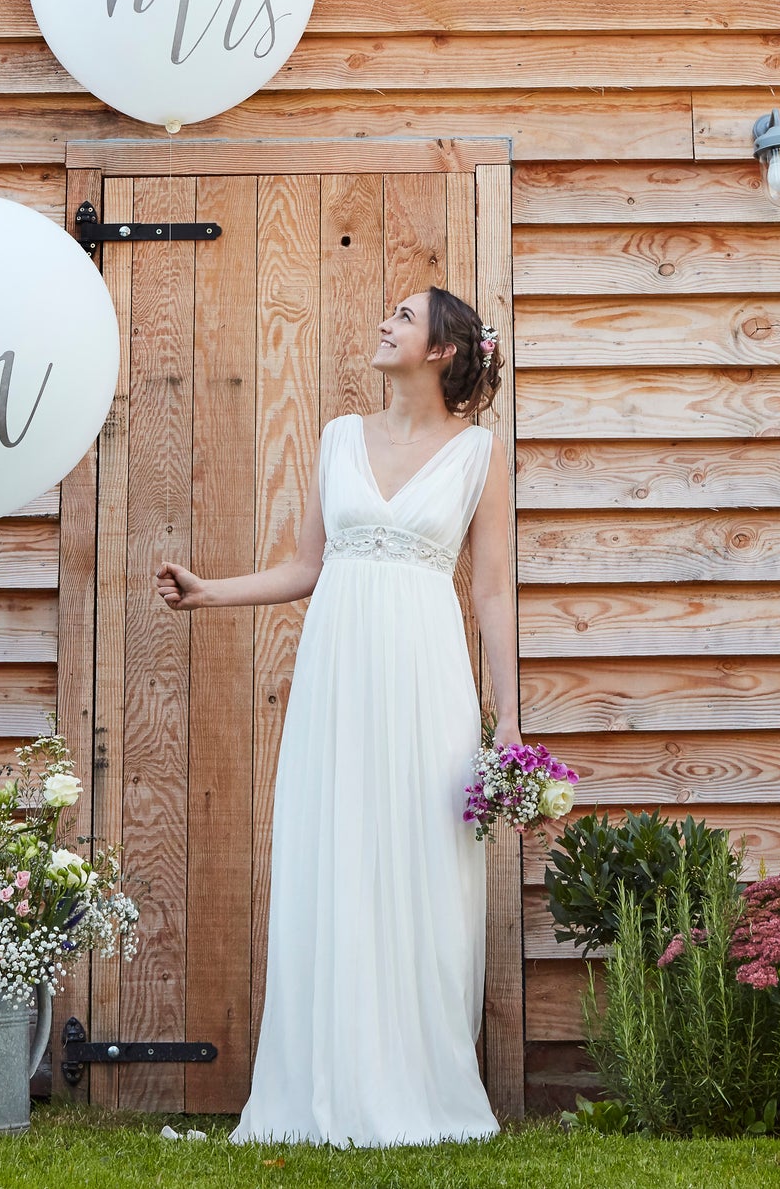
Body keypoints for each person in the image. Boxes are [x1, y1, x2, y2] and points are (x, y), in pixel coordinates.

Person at [155, 286, 520, 1148]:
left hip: (427, 674)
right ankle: (322, 1081)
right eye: (385, 311)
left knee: (420, 860)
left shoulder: (478, 453)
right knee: (335, 852)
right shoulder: (335, 438)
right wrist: (212, 592)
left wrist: (507, 717)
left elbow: (494, 590)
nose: (383, 322)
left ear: (442, 349)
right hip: (338, 671)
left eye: (402, 315)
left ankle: (418, 1084)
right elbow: (302, 565)